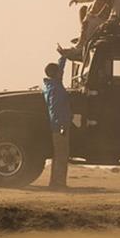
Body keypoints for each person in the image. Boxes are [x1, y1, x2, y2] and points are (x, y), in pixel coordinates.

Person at [42, 54, 71, 189]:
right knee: (61, 155)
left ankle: (56, 182)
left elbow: (60, 69)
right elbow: (54, 110)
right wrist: (60, 125)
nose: (61, 72)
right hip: (59, 126)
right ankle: (58, 183)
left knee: (59, 155)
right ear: (55, 73)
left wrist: (63, 56)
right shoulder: (55, 89)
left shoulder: (52, 85)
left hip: (58, 125)